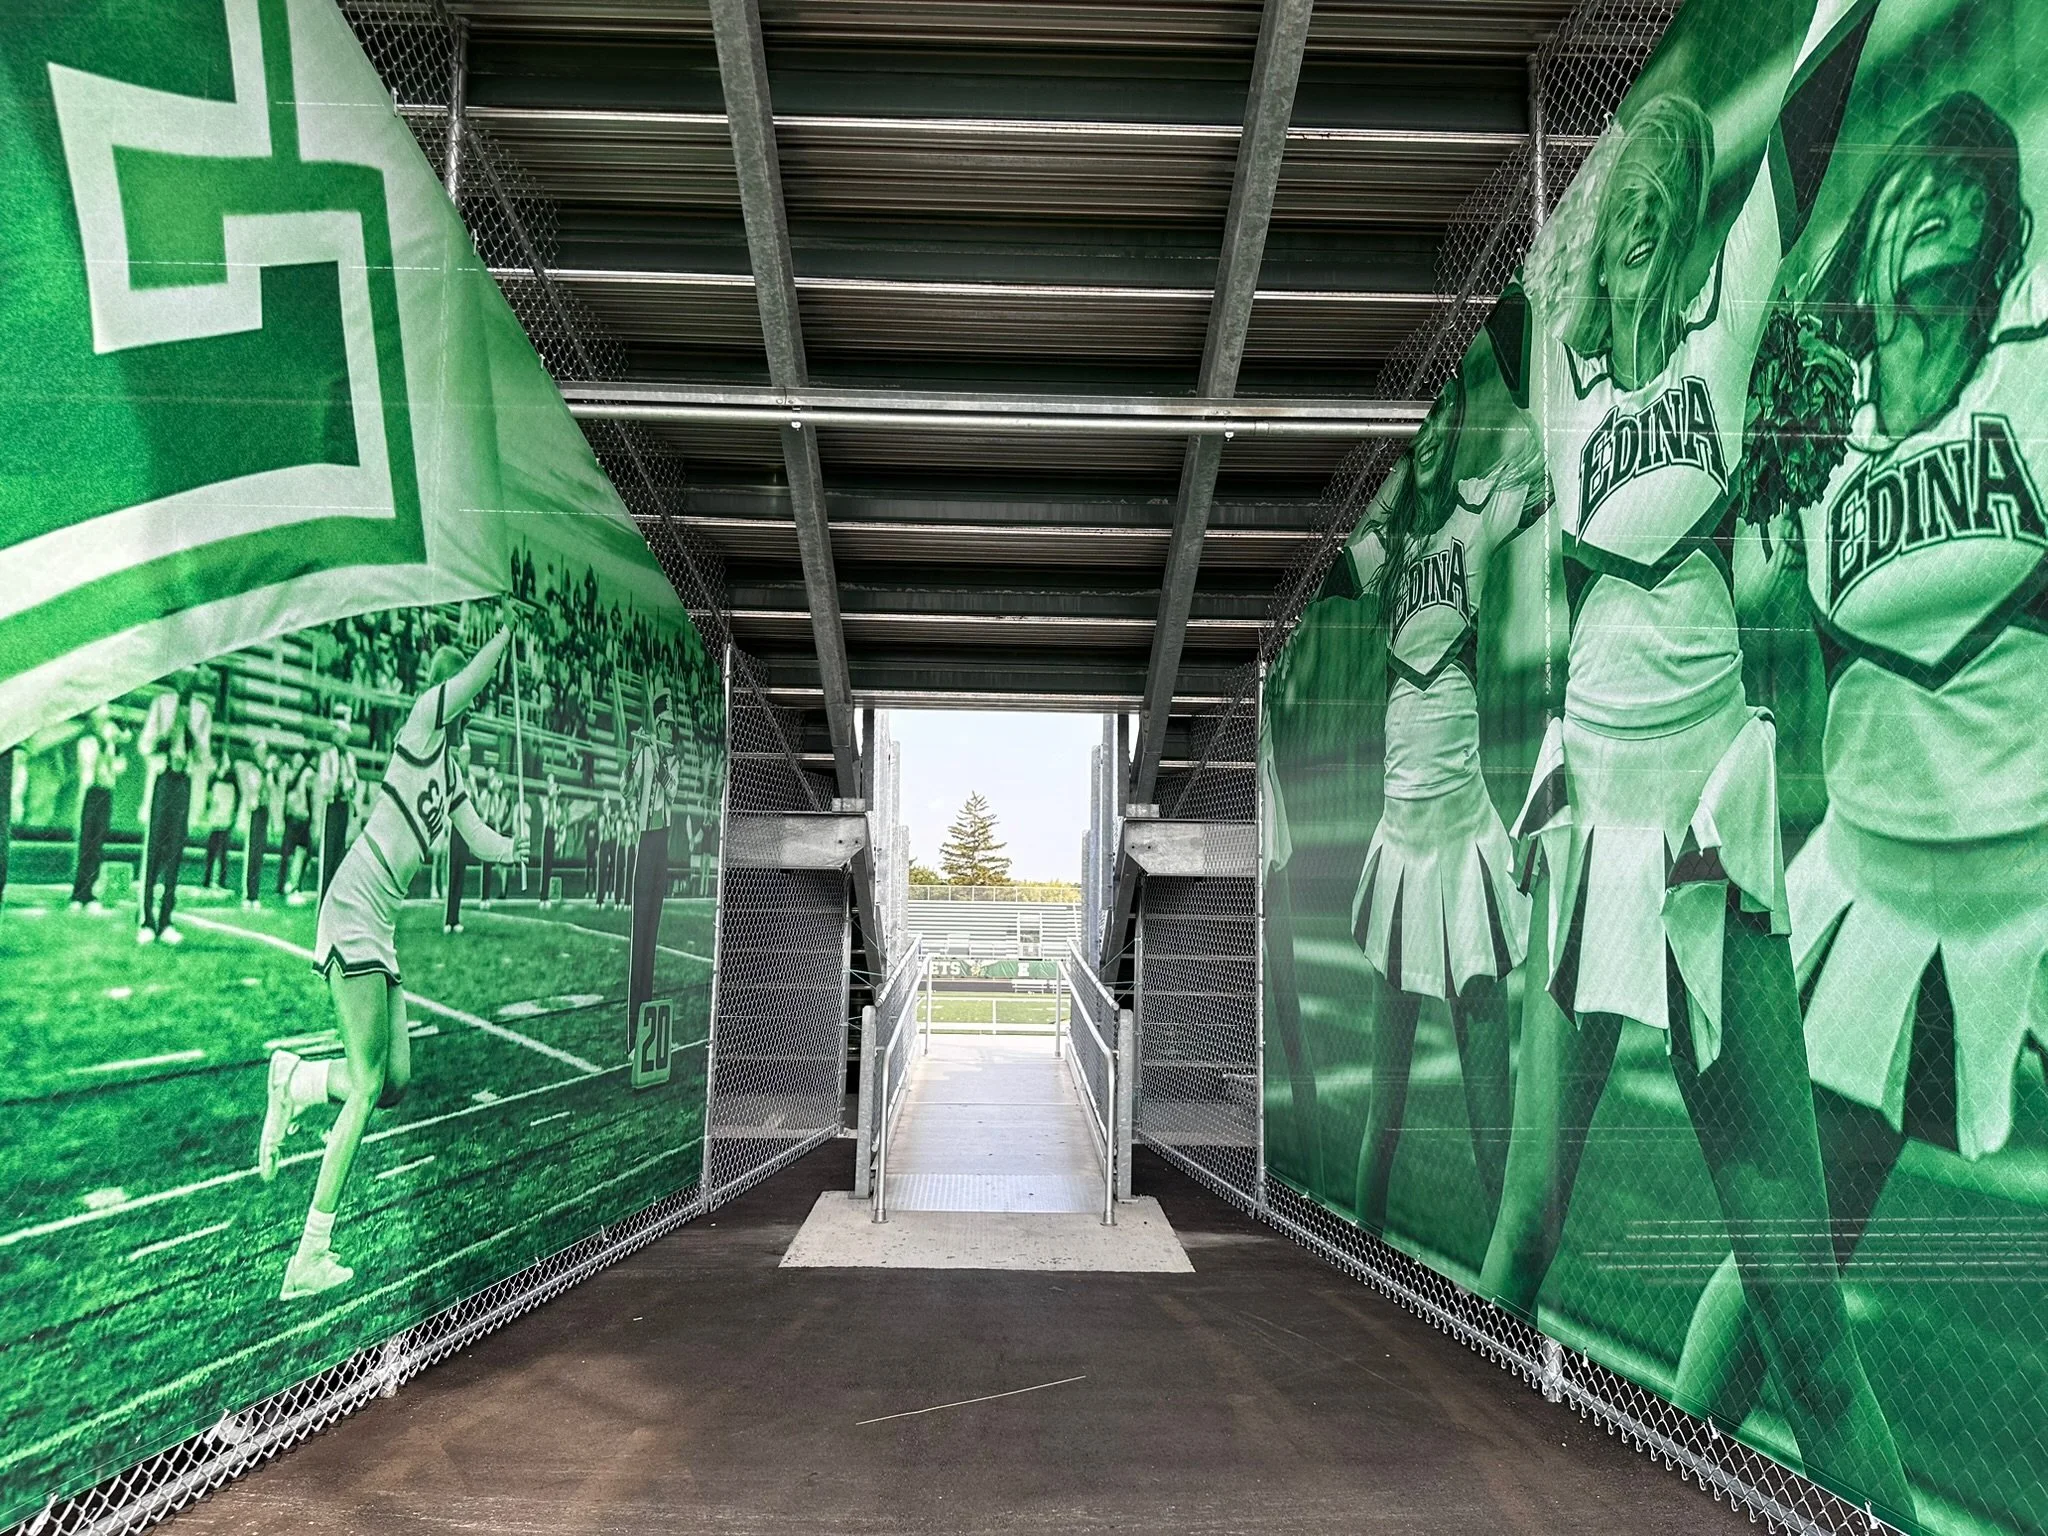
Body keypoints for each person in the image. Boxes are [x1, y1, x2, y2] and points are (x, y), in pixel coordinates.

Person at [1478, 10, 1912, 1511]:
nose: (1645, 208)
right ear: (1600, 250)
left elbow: (1801, 126)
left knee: (1802, 1323)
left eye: (1672, 187)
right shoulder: (1565, 389)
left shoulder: (1724, 333)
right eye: (1627, 199)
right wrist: (1566, 178)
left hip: (1710, 837)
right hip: (1590, 816)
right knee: (1522, 1233)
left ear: (1690, 230)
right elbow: (1513, 273)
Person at [1674, 93, 2047, 1442]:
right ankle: (1665, 1468)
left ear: (2002, 237)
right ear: (1871, 231)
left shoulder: (2031, 376)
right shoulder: (1817, 449)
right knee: (1785, 1296)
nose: (1944, 198)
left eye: (1973, 184)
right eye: (1915, 182)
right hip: (1877, 891)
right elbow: (1751, 662)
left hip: (2036, 881)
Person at [1331, 368, 1545, 1233]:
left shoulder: (1477, 514)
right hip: (1400, 851)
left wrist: (1511, 359)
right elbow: (1335, 569)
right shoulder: (1387, 556)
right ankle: (1357, 1265)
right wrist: (1390, 480)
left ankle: (1508, 1305)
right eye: (1408, 427)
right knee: (1383, 1119)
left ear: (1454, 422)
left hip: (1464, 849)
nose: (1423, 439)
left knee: (1492, 1129)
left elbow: (1544, 454)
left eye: (1436, 418)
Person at [259, 620, 526, 1299]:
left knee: (395, 1081)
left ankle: (298, 1080)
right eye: (461, 691)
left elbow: (476, 836)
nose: (467, 703)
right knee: (369, 1083)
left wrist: (509, 846)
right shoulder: (421, 726)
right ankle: (309, 1254)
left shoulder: (451, 769)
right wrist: (505, 634)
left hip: (379, 923)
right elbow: (472, 678)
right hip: (355, 907)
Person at [136, 667, 214, 945]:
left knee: (175, 851)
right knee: (153, 849)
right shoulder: (162, 703)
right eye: (182, 675)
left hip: (183, 781)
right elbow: (144, 744)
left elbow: (205, 754)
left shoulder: (202, 711)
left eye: (190, 676)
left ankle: (166, 919)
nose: (185, 681)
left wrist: (192, 738)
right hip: (162, 777)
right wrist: (164, 739)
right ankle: (146, 919)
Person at [625, 691, 678, 1045]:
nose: (670, 731)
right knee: (638, 940)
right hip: (644, 843)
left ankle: (644, 1027)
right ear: (657, 724)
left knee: (652, 939)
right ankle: (632, 1036)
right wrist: (634, 757)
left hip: (663, 846)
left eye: (672, 726)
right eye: (666, 725)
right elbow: (626, 791)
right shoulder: (645, 754)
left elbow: (670, 792)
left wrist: (659, 757)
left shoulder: (673, 760)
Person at [70, 706, 127, 913]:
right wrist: (104, 747)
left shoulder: (112, 746)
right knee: (86, 844)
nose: (104, 723)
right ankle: (78, 893)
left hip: (105, 793)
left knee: (97, 844)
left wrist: (115, 747)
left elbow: (119, 769)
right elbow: (87, 767)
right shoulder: (87, 742)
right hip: (90, 793)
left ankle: (90, 892)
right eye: (100, 719)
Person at [314, 703, 360, 902]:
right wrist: (339, 784)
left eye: (343, 733)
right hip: (331, 806)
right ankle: (324, 897)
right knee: (328, 852)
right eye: (338, 732)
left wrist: (351, 786)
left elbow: (355, 779)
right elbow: (324, 782)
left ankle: (334, 897)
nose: (340, 736)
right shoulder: (327, 756)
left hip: (344, 805)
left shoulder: (350, 757)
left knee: (341, 851)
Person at [241, 744, 276, 909]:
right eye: (260, 752)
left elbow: (271, 790)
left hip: (264, 811)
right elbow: (255, 788)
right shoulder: (253, 770)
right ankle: (247, 894)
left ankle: (255, 894)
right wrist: (266, 772)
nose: (262, 755)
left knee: (259, 854)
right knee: (251, 853)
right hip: (254, 812)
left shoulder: (268, 772)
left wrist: (270, 773)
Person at [280, 750, 316, 905]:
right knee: (299, 853)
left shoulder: (290, 775)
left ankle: (287, 885)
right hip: (300, 817)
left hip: (293, 817)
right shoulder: (306, 774)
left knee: (292, 853)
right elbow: (308, 796)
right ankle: (293, 887)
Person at [200, 749, 240, 891]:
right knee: (211, 851)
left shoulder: (232, 782)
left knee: (223, 852)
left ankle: (221, 881)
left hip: (226, 821)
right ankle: (207, 879)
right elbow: (208, 798)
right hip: (215, 820)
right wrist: (208, 811)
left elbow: (236, 801)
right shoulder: (213, 780)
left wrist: (233, 816)